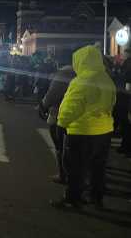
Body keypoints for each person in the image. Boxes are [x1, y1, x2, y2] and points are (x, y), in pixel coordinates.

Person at [52, 46, 116, 210]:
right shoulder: (106, 78)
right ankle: (96, 197)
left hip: (82, 131)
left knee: (75, 168)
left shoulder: (82, 81)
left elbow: (71, 106)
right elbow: (112, 102)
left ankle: (73, 199)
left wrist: (62, 123)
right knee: (98, 168)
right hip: (104, 130)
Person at [40, 63, 76, 184]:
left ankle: (64, 175)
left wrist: (43, 106)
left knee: (60, 146)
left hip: (62, 114)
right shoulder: (100, 76)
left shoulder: (65, 73)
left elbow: (53, 93)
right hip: (91, 122)